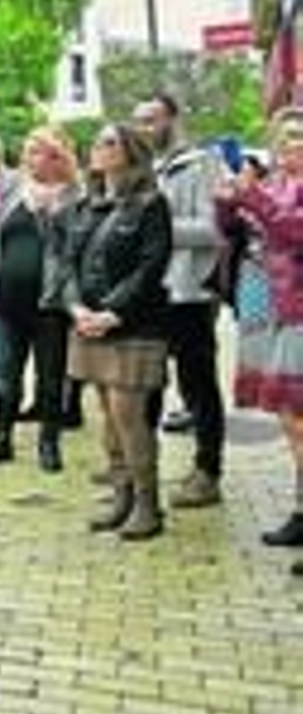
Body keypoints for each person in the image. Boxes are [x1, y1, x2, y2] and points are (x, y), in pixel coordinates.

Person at [64, 124, 173, 541]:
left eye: (109, 143)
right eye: (96, 142)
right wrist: (76, 307)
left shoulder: (151, 203)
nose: (98, 148)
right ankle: (122, 496)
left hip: (134, 325)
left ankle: (148, 504)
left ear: (131, 152)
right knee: (108, 415)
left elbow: (151, 265)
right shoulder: (87, 204)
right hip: (89, 321)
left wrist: (113, 312)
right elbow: (68, 261)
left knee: (129, 415)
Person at [132, 93, 227, 510]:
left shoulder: (201, 164)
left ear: (173, 119)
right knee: (147, 384)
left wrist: (155, 226)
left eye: (151, 120)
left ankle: (208, 471)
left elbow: (212, 229)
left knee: (198, 385)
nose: (143, 128)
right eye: (138, 121)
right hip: (148, 292)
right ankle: (141, 469)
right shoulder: (144, 168)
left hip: (189, 291)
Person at [0, 127, 82, 472]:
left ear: (58, 157)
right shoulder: (11, 191)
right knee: (5, 375)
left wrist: (50, 215)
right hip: (5, 300)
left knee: (50, 379)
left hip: (50, 303)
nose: (31, 159)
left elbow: (73, 252)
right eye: (28, 152)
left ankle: (49, 443)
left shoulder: (75, 198)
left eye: (39, 152)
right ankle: (0, 440)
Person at [216, 109, 303, 553]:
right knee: (290, 418)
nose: (291, 143)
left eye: (299, 136)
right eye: (284, 136)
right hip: (270, 307)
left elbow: (293, 229)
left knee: (298, 417)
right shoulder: (276, 183)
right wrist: (227, 203)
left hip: (299, 309)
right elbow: (239, 232)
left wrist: (252, 198)